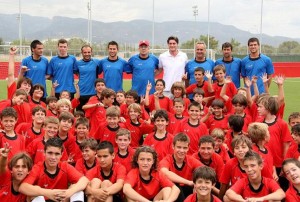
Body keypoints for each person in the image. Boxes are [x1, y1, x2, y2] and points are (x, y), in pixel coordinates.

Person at [19, 137, 89, 202]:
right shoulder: (37, 168)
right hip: (44, 199)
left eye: (57, 154)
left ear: (61, 155)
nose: (53, 157)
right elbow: (23, 187)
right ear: (44, 153)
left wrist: (69, 192)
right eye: (50, 153)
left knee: (76, 189)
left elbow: (84, 180)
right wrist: (49, 193)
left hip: (61, 199)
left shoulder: (65, 166)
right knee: (34, 194)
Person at [159, 133, 203, 201]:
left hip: (187, 189)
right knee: (176, 186)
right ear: (173, 146)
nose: (182, 151)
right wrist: (188, 182)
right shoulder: (167, 160)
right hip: (173, 191)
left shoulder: (191, 160)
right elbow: (164, 173)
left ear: (188, 148)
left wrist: (197, 183)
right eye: (179, 147)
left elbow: (206, 172)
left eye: (184, 148)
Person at [74, 44, 100, 111]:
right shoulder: (78, 63)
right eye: (85, 52)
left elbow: (100, 71)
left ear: (91, 52)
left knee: (92, 115)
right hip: (81, 93)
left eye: (89, 52)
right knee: (80, 115)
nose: (87, 54)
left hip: (93, 93)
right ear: (82, 53)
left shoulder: (96, 62)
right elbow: (76, 72)